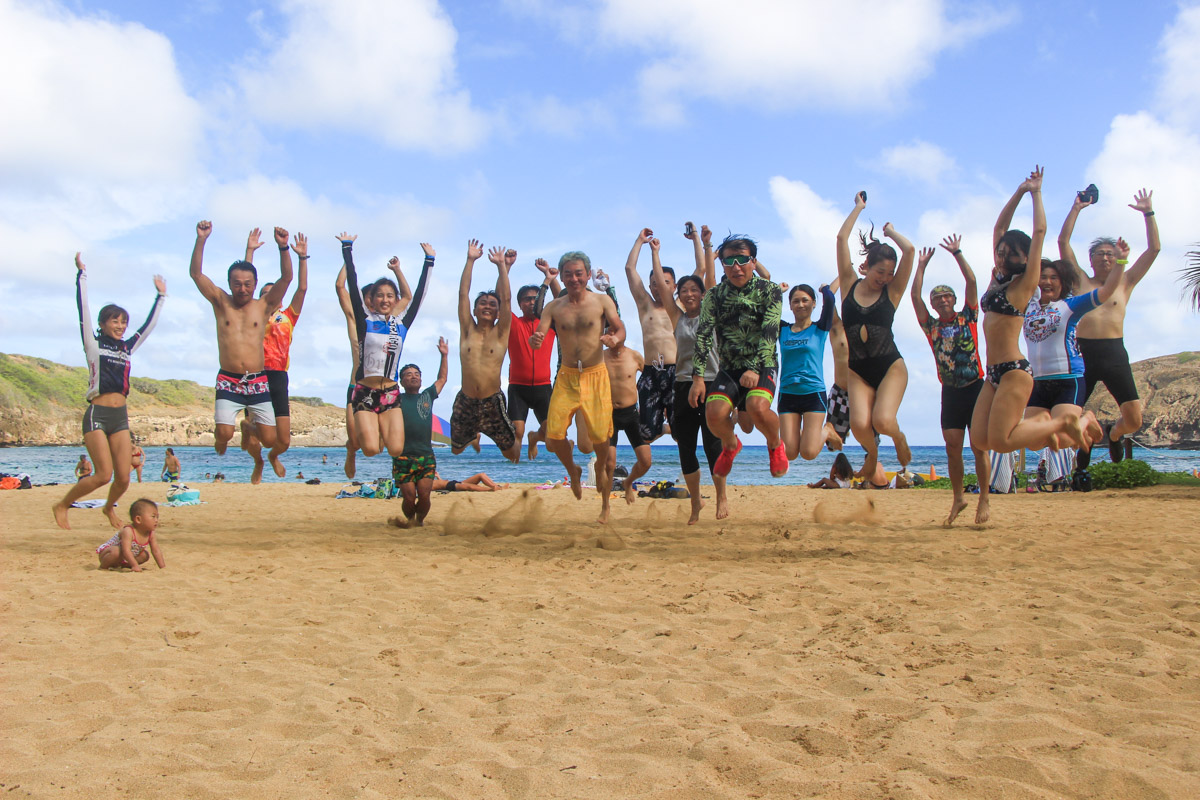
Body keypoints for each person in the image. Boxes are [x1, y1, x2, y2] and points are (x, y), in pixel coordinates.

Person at [973, 167, 1085, 524]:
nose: (1002, 257)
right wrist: (1018, 191)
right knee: (979, 439)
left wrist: (1036, 194)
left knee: (1004, 441)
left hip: (1015, 373)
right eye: (1000, 253)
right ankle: (986, 499)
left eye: (1010, 253)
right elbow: (997, 230)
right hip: (993, 373)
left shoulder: (1025, 284)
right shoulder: (997, 280)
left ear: (1025, 257)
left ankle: (1059, 424)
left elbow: (1039, 232)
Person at [53, 253, 166, 530]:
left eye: (123, 322)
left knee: (124, 478)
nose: (120, 326)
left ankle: (107, 508)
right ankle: (62, 504)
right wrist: (82, 274)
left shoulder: (127, 348)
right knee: (103, 474)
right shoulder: (92, 344)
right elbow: (84, 309)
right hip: (97, 414)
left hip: (120, 417)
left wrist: (161, 298)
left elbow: (148, 328)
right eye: (114, 321)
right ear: (103, 324)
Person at [1058, 189, 1161, 463]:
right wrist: (1077, 208)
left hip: (1115, 353)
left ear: (1117, 259)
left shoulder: (1125, 282)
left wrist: (1148, 213)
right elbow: (1063, 241)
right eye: (1099, 254)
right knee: (1070, 415)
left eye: (1110, 254)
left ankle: (1114, 434)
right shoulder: (1080, 281)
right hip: (1082, 353)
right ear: (1090, 259)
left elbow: (1154, 250)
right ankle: (1083, 458)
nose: (1105, 258)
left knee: (1134, 420)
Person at [531, 251, 625, 523]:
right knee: (552, 438)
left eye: (578, 273)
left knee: (602, 446)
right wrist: (536, 340)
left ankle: (605, 505)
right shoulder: (554, 307)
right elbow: (540, 331)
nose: (574, 278)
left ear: (587, 274)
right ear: (561, 276)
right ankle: (572, 469)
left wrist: (614, 339)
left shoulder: (601, 301)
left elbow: (620, 329)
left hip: (596, 375)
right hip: (567, 376)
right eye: (568, 274)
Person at [189, 221, 293, 461]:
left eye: (248, 284)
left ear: (255, 285)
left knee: (269, 440)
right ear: (229, 284)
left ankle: (248, 427)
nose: (243, 289)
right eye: (237, 284)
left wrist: (283, 248)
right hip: (229, 378)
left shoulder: (264, 306)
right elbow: (196, 274)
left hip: (258, 380)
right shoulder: (220, 302)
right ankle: (226, 434)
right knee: (224, 434)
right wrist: (201, 239)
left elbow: (286, 278)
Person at [688, 234, 786, 479]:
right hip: (730, 366)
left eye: (742, 260)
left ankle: (775, 444)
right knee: (713, 414)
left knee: (757, 408)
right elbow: (703, 335)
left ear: (753, 261)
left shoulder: (770, 291)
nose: (736, 267)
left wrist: (754, 369)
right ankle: (731, 444)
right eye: (729, 261)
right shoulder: (714, 296)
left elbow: (770, 332)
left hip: (763, 364)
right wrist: (698, 378)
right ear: (722, 264)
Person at [650, 229, 729, 523]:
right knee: (686, 447)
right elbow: (660, 283)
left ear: (702, 294)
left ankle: (721, 495)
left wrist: (707, 244)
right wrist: (655, 253)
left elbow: (708, 275)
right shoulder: (677, 317)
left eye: (694, 290)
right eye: (684, 291)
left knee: (713, 445)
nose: (690, 294)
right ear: (679, 297)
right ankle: (696, 502)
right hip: (682, 386)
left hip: (713, 383)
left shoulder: (711, 314)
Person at [835, 193, 916, 479]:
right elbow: (841, 240)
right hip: (858, 370)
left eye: (889, 273)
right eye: (880, 271)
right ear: (866, 266)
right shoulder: (848, 285)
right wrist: (858, 208)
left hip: (889, 366)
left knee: (882, 420)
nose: (884, 277)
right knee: (859, 426)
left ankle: (899, 438)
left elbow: (910, 251)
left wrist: (891, 232)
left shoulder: (892, 293)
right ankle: (874, 455)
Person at [911, 235, 986, 527]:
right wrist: (920, 267)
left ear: (954, 300)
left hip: (976, 388)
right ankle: (958, 497)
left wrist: (958, 254)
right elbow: (915, 298)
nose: (942, 300)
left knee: (979, 446)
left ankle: (984, 499)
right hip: (950, 391)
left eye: (947, 297)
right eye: (937, 298)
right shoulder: (930, 326)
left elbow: (972, 282)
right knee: (952, 447)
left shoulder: (968, 317)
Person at [341, 233, 434, 457]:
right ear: (371, 300)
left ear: (395, 299)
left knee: (395, 449)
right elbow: (352, 285)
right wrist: (347, 249)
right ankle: (368, 433)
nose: (385, 300)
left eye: (390, 296)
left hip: (391, 393)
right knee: (372, 449)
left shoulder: (401, 324)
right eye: (380, 296)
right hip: (364, 391)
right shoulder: (365, 322)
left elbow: (419, 295)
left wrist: (429, 261)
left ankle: (381, 426)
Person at [1022, 256, 1125, 450]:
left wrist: (1121, 263)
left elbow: (1106, 291)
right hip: (1038, 382)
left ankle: (1087, 419)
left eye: (1054, 278)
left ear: (1063, 283)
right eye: (1043, 277)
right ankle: (1064, 421)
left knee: (1062, 441)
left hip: (1068, 381)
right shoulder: (1028, 306)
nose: (1047, 282)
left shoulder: (1071, 305)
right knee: (1032, 443)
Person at [622, 225, 708, 443]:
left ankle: (682, 449)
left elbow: (701, 268)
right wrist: (639, 242)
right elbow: (630, 270)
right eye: (653, 285)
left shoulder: (679, 307)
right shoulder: (645, 305)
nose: (658, 288)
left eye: (664, 283)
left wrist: (696, 238)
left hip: (676, 371)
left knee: (682, 433)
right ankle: (663, 428)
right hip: (651, 372)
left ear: (674, 285)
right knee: (647, 434)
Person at [238, 228, 309, 482]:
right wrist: (250, 252)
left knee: (284, 439)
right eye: (264, 293)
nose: (270, 295)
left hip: (279, 377)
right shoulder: (251, 314)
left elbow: (300, 289)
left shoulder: (288, 316)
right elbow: (244, 284)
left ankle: (272, 456)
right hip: (254, 375)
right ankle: (258, 461)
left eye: (273, 292)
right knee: (254, 439)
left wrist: (301, 258)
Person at [335, 255, 412, 477]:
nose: (373, 302)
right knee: (359, 443)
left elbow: (405, 302)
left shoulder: (390, 322)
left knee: (380, 447)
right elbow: (341, 287)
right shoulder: (357, 321)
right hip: (358, 386)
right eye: (370, 298)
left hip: (385, 387)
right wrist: (348, 261)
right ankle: (351, 452)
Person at [452, 242, 520, 462]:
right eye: (482, 303)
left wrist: (502, 266)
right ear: (474, 309)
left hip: (492, 401)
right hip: (466, 400)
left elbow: (507, 299)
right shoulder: (467, 329)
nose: (487, 306)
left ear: (498, 312)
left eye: (492, 304)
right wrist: (470, 260)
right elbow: (463, 293)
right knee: (455, 450)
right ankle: (473, 435)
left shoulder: (501, 332)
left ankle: (517, 432)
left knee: (513, 455)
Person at [777, 281, 841, 463]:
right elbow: (764, 312)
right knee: (789, 453)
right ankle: (808, 434)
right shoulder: (782, 330)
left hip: (813, 393)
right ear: (790, 306)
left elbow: (830, 302)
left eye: (805, 300)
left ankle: (827, 430)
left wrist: (825, 290)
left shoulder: (820, 328)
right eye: (795, 301)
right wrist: (778, 293)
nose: (800, 305)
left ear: (814, 303)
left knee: (809, 453)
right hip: (788, 394)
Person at [390, 337, 449, 528]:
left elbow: (442, 379)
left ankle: (419, 521)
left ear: (421, 378)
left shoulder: (427, 396)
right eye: (408, 374)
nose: (413, 376)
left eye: (416, 374)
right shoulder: (394, 399)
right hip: (402, 457)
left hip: (425, 456)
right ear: (402, 380)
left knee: (424, 495)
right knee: (408, 498)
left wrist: (444, 356)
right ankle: (409, 520)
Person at [508, 257, 561, 459]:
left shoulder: (549, 323)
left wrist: (550, 276)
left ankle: (535, 437)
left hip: (543, 387)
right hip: (518, 387)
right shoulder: (513, 323)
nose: (531, 302)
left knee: (552, 437)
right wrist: (506, 268)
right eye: (527, 299)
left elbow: (560, 299)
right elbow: (503, 300)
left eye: (534, 298)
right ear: (520, 304)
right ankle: (524, 439)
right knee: (516, 434)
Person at [603, 336, 649, 506]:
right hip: (609, 415)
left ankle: (628, 482)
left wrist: (651, 408)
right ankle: (605, 507)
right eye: (609, 330)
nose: (611, 335)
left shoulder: (635, 356)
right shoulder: (601, 358)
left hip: (632, 414)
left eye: (616, 330)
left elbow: (650, 381)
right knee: (609, 464)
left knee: (646, 461)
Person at [95, 498, 164, 571]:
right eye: (153, 517)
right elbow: (126, 550)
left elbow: (156, 550)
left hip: (124, 558)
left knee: (144, 555)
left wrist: (162, 567)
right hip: (109, 554)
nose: (156, 520)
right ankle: (103, 567)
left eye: (157, 517)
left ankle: (125, 565)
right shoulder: (128, 531)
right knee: (117, 551)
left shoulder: (150, 533)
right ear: (138, 519)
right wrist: (135, 565)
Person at [432, 472, 510, 492]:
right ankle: (492, 489)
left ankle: (496, 486)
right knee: (470, 487)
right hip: (450, 486)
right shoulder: (425, 485)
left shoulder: (428, 480)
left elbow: (440, 483)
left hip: (454, 482)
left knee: (481, 475)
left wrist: (438, 477)